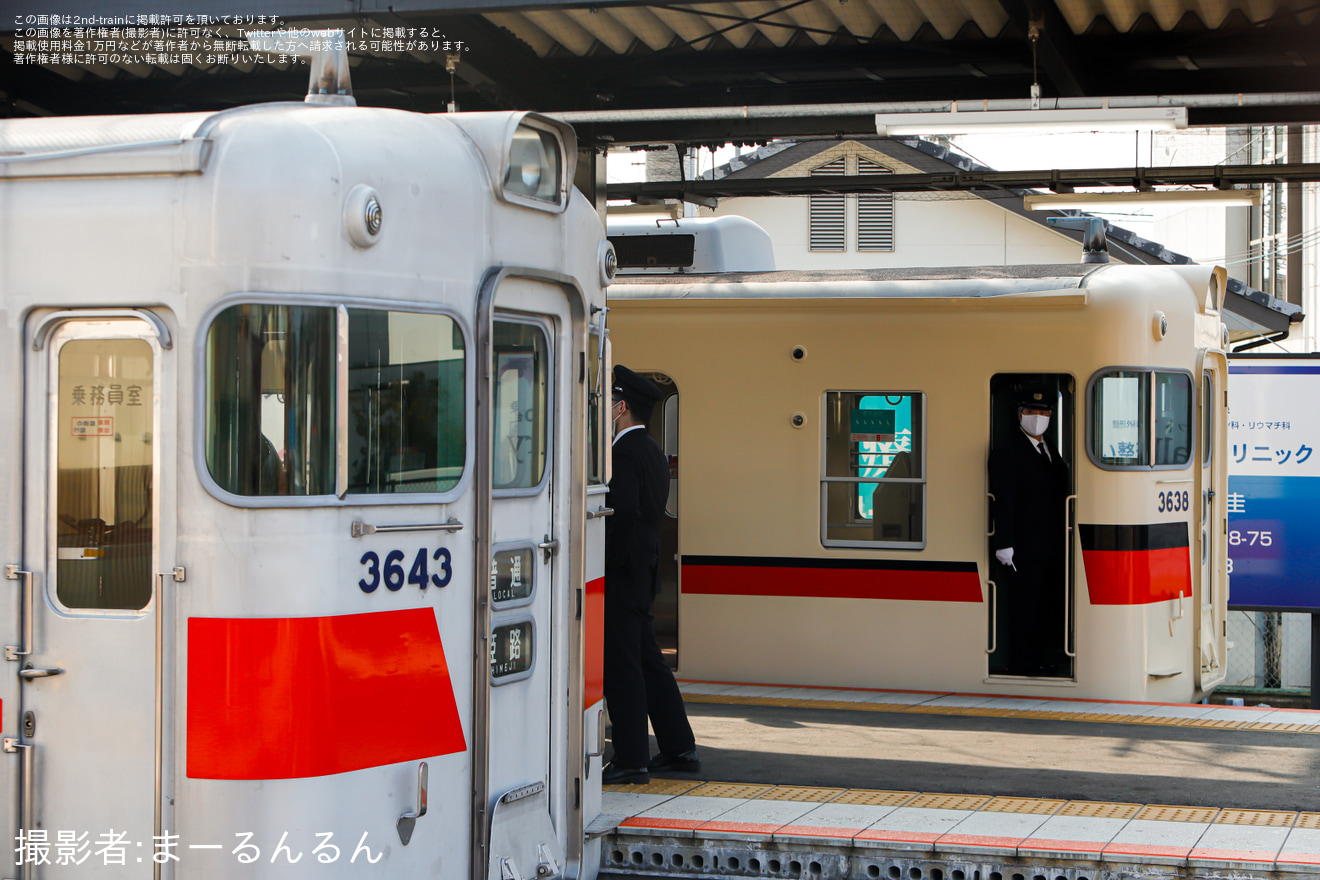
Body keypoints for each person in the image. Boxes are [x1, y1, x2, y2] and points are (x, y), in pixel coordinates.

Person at [602, 366, 699, 784]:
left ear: (621, 408)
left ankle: (631, 759)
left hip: (622, 576)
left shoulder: (622, 454)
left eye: (608, 403)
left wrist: (604, 562)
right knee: (649, 661)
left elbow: (621, 513)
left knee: (621, 666)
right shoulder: (654, 452)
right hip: (645, 574)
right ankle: (678, 747)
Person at [988, 390, 1070, 676]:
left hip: (1051, 543)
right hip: (1024, 545)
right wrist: (1005, 543)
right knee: (1025, 605)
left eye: (1045, 412)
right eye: (1032, 412)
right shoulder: (1007, 451)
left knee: (1046, 602)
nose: (1038, 418)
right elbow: (1004, 499)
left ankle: (1042, 657)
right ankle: (1023, 662)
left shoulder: (1049, 450)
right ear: (1019, 414)